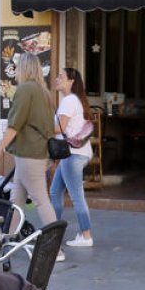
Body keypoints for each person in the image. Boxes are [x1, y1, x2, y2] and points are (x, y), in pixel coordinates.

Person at [0, 53, 59, 246]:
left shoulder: (25, 90)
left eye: (18, 66)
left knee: (41, 201)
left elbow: (15, 125)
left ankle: (54, 247)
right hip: (36, 153)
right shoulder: (43, 91)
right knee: (17, 198)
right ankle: (7, 239)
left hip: (30, 154)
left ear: (24, 68)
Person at [49, 67, 96, 248]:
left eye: (61, 76)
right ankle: (53, 232)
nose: (57, 79)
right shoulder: (73, 100)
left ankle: (86, 235)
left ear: (71, 81)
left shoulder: (69, 100)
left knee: (77, 196)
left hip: (73, 155)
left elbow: (58, 128)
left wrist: (37, 124)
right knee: (55, 191)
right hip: (74, 154)